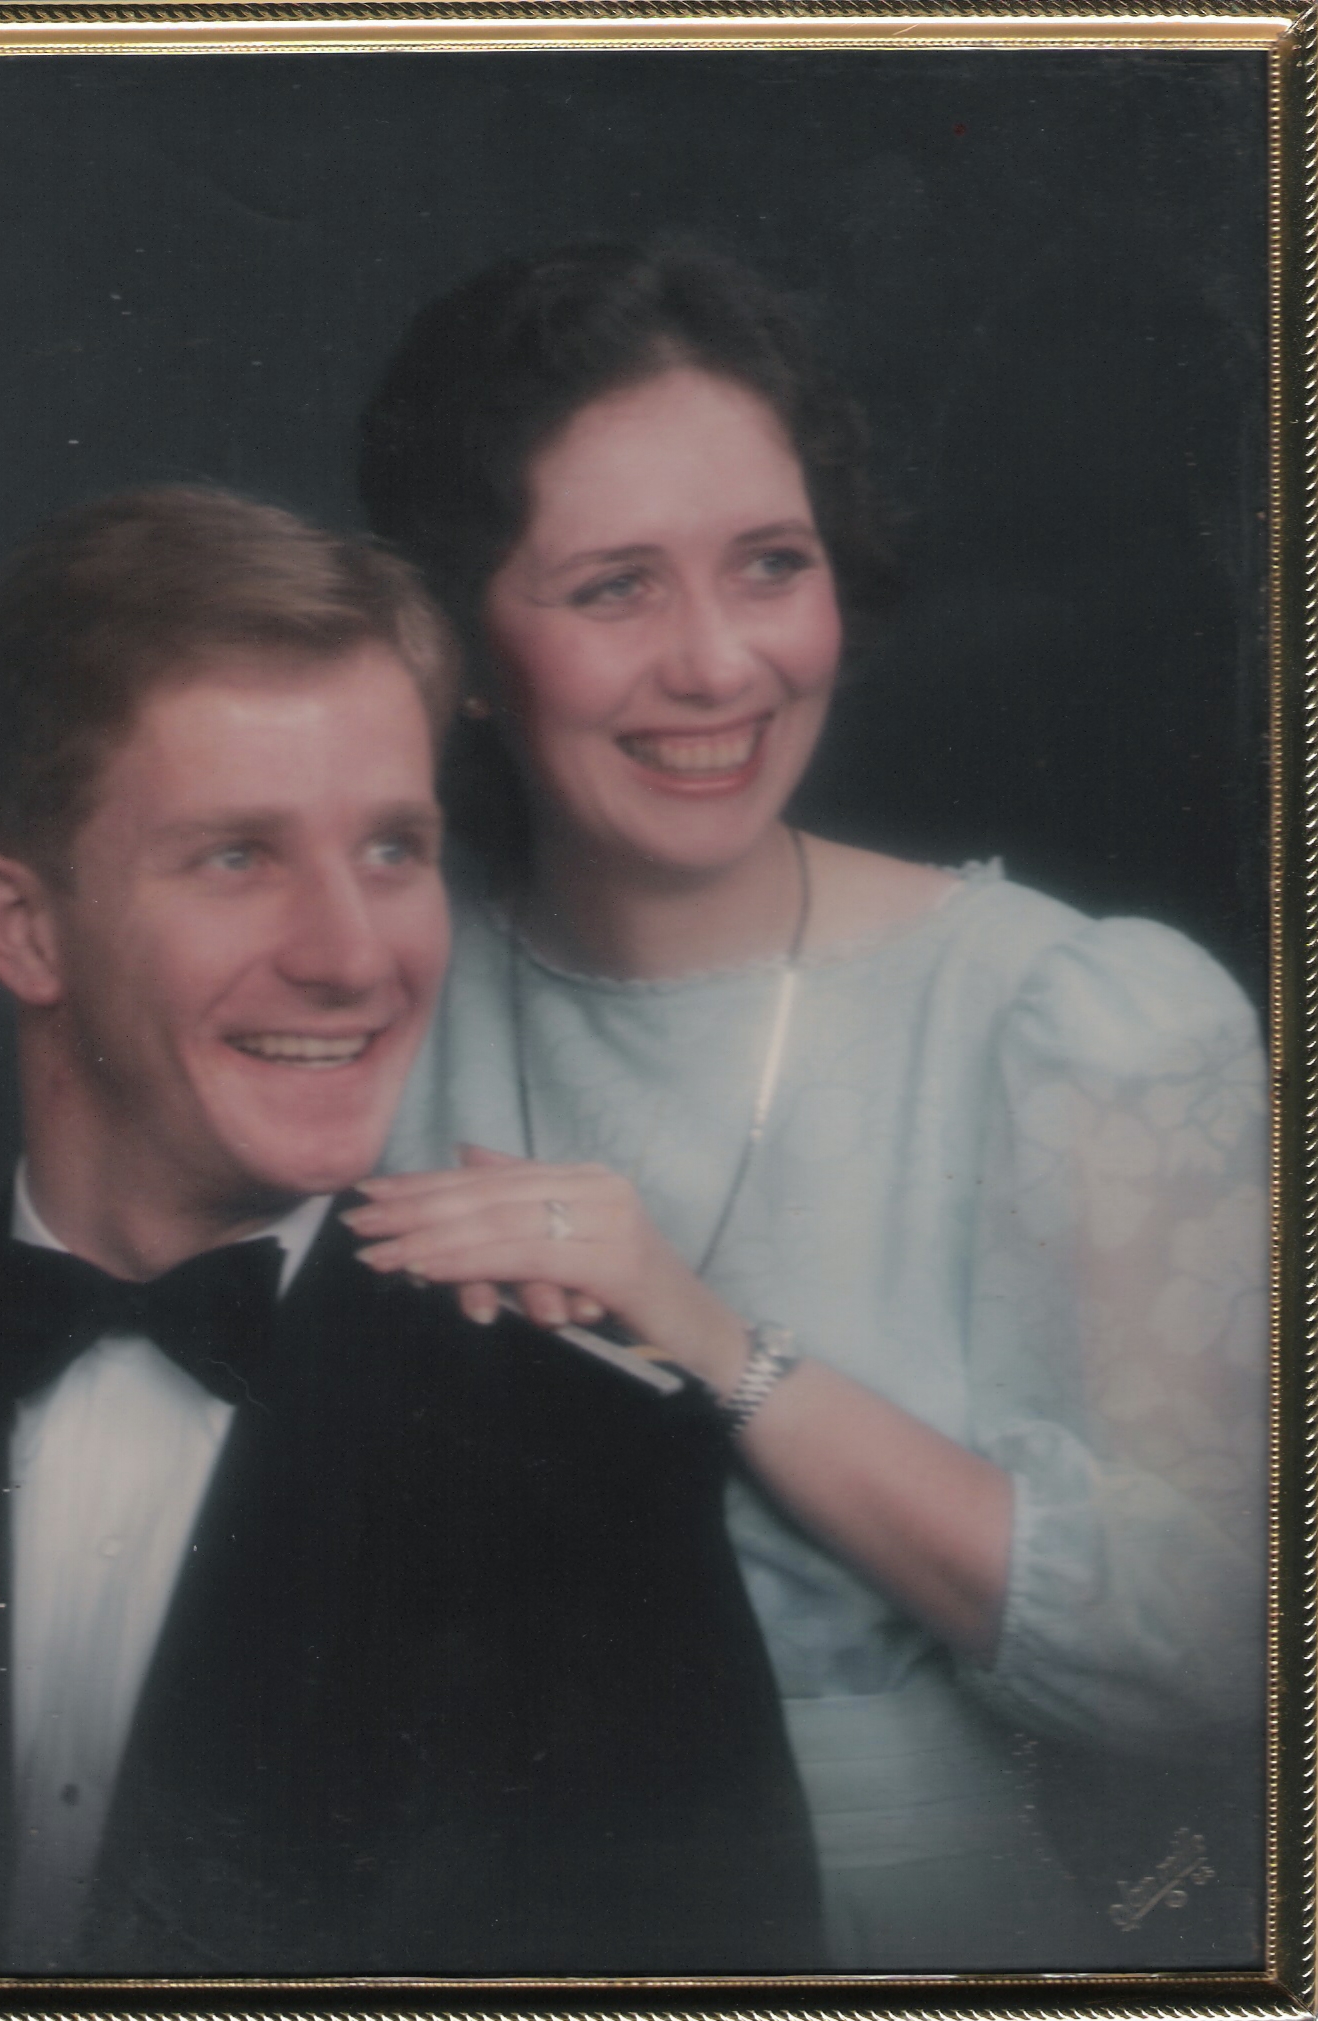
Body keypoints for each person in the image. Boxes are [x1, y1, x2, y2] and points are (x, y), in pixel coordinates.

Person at [0, 485, 824, 1977]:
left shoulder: (587, 1468)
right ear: (24, 929)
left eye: (391, 850)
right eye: (237, 856)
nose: (350, 955)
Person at [355, 242, 1269, 1971]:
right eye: (613, 586)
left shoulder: (1078, 1018)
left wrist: (710, 1337)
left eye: (769, 566)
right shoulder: (371, 990)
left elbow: (1205, 1661)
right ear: (464, 643)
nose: (716, 664)